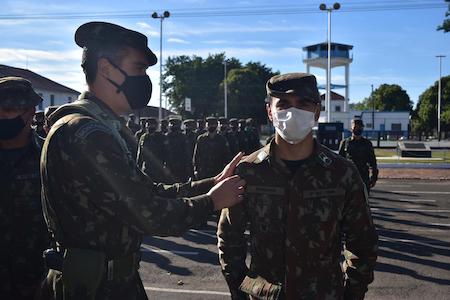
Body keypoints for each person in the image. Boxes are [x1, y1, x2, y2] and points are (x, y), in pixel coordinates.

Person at [39, 21, 245, 300]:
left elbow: (148, 191)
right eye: (138, 69)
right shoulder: (87, 134)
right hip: (97, 289)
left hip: (106, 282)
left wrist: (212, 184)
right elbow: (149, 214)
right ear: (106, 69)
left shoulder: (100, 127)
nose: (145, 80)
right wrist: (212, 201)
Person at [218, 73, 378, 300]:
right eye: (283, 104)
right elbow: (229, 238)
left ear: (317, 111)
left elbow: (362, 242)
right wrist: (241, 290)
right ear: (270, 112)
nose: (293, 112)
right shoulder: (249, 171)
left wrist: (352, 293)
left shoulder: (342, 173)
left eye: (303, 103)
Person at [0, 77, 49, 300]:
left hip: (35, 280)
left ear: (30, 112)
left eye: (8, 109)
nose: (1, 115)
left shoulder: (50, 158)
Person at [339, 119, 379, 194]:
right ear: (351, 129)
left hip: (363, 177)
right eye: (355, 127)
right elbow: (340, 162)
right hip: (349, 178)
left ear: (362, 128)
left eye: (359, 128)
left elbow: (373, 161)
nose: (357, 129)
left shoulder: (367, 143)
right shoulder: (345, 143)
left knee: (363, 202)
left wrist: (374, 177)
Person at [137, 117, 168, 183]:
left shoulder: (162, 137)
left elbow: (167, 153)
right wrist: (138, 167)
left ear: (156, 126)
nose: (149, 126)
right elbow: (140, 153)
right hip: (146, 169)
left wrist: (166, 167)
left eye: (152, 124)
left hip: (158, 170)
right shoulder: (143, 137)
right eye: (148, 124)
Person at [165, 117, 190, 183]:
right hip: (169, 166)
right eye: (171, 124)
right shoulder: (166, 136)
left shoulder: (183, 137)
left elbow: (187, 153)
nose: (173, 126)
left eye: (175, 124)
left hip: (181, 167)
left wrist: (187, 167)